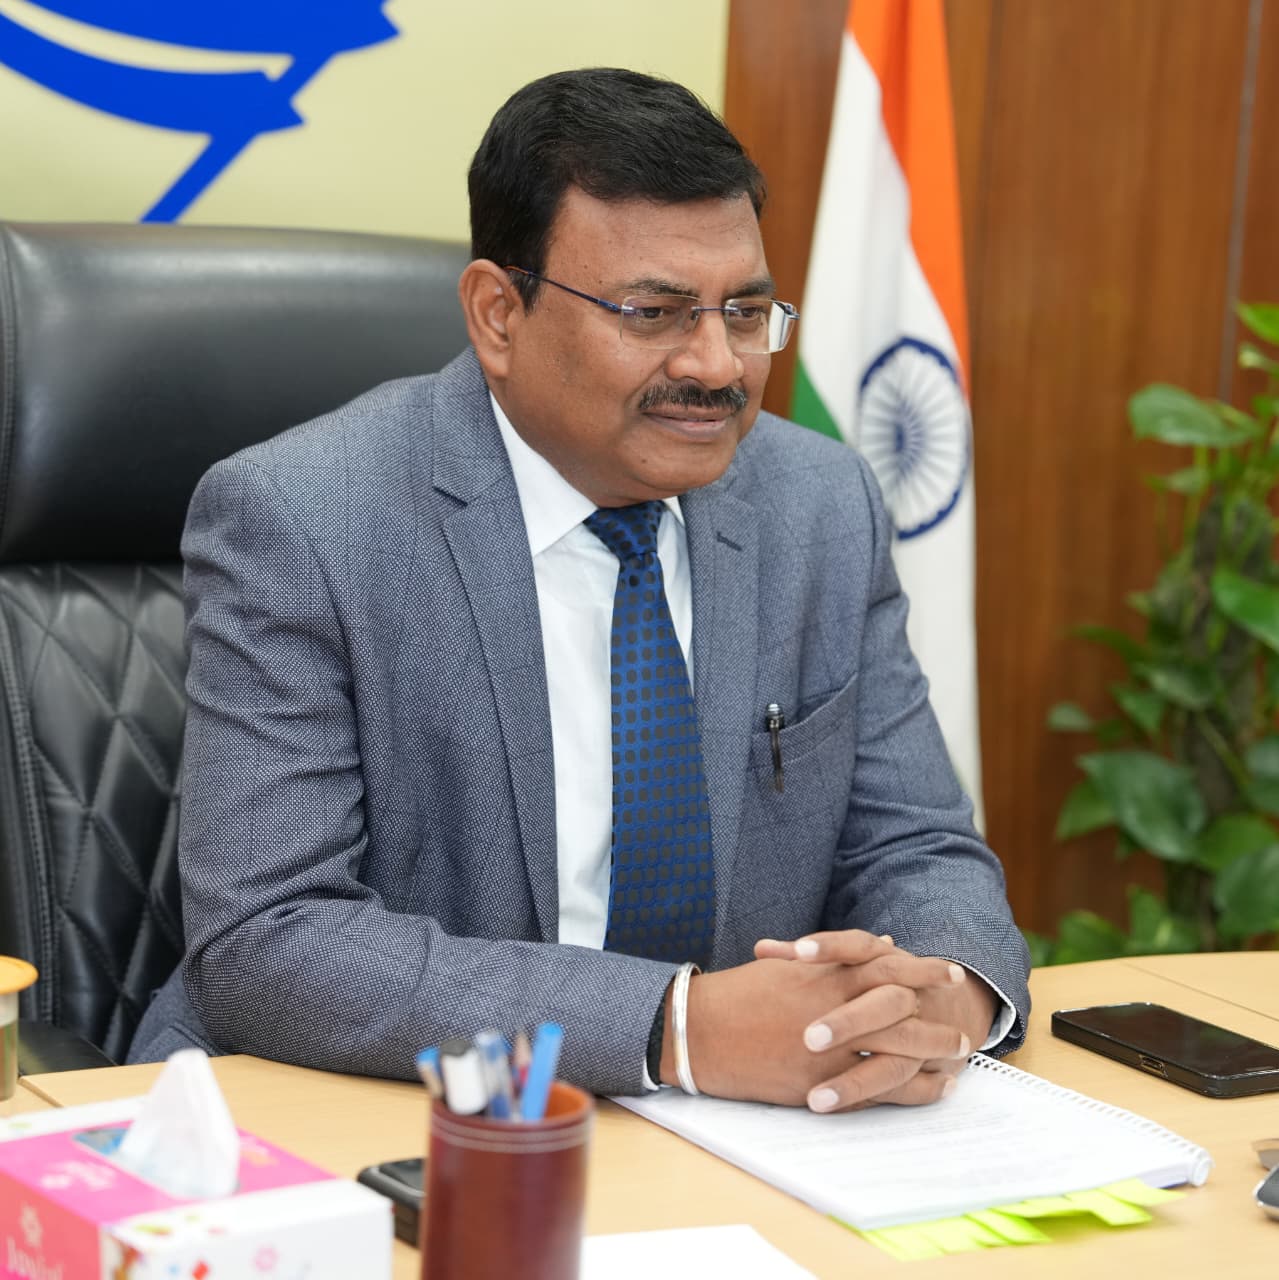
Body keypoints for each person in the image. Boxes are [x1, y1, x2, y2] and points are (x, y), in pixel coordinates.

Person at [131, 67, 1030, 1112]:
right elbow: (267, 940)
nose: (717, 365)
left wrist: (941, 992)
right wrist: (674, 1027)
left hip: (750, 1127)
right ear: (497, 315)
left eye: (745, 312)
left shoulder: (819, 504)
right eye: (653, 312)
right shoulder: (303, 518)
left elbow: (918, 844)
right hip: (376, 1112)